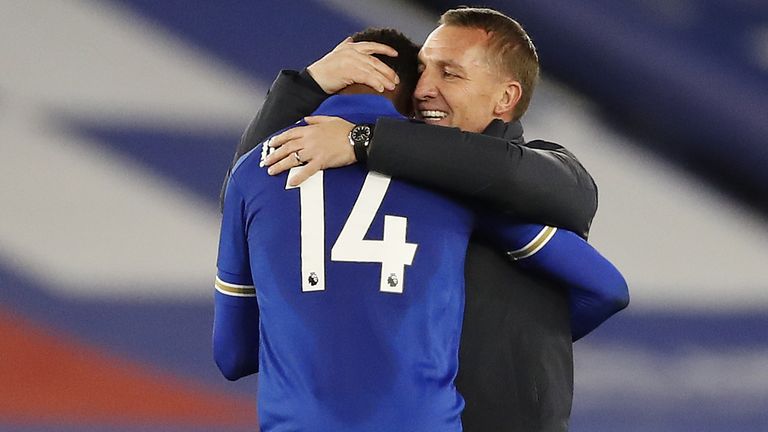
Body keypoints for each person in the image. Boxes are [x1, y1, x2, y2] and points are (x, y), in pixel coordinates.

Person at [224, 8, 605, 432]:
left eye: (450, 74)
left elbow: (512, 177)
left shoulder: (549, 172)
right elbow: (248, 207)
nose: (422, 89)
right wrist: (305, 87)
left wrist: (529, 345)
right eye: (421, 69)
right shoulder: (392, 170)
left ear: (506, 97)